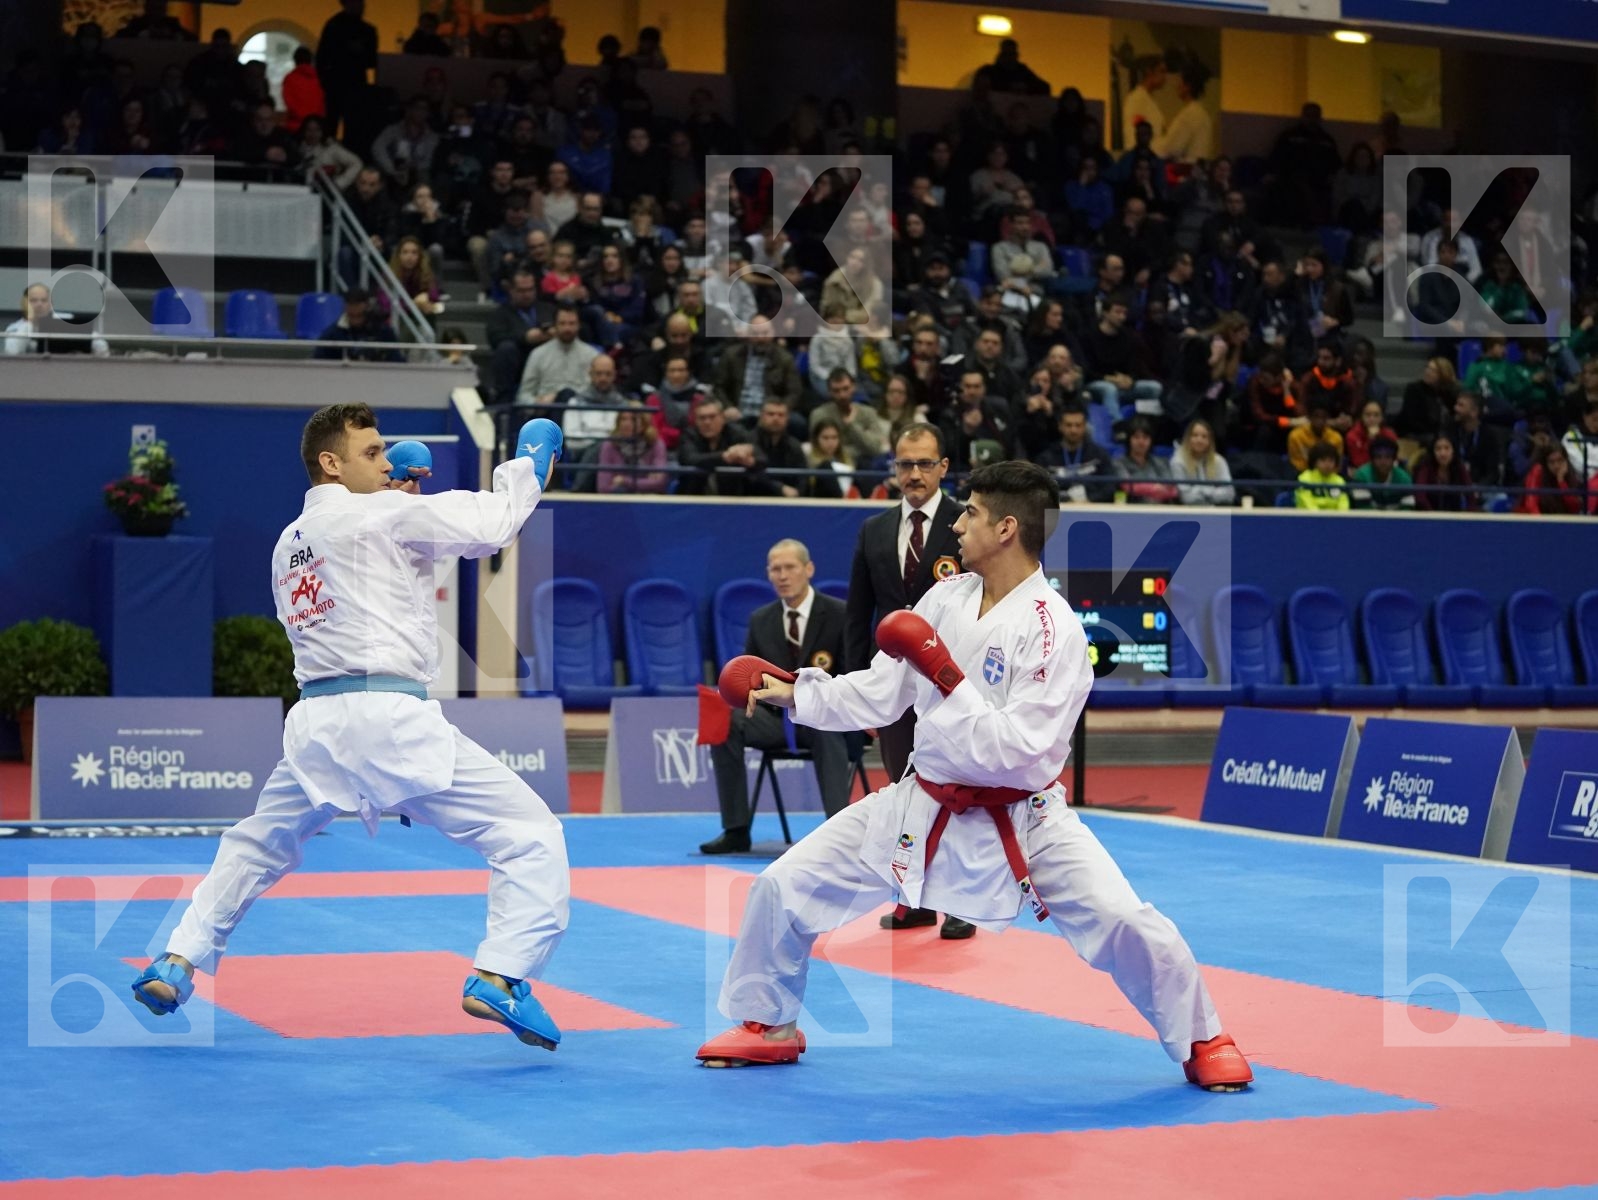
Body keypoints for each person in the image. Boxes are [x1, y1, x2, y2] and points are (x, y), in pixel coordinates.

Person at [697, 461, 1252, 1091]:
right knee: (781, 886)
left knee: (1124, 920)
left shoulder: (1054, 630)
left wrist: (947, 679)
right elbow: (884, 693)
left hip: (1023, 816)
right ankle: (768, 1024)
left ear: (1008, 528)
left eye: (971, 513)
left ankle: (1205, 1035)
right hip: (921, 800)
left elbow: (1018, 749)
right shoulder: (945, 597)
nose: (956, 524)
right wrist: (796, 694)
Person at [130, 406, 572, 1052]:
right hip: (388, 717)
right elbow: (492, 526)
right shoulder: (381, 515)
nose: (387, 463)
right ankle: (501, 974)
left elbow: (382, 576)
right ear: (331, 462)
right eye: (373, 453)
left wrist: (397, 496)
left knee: (257, 844)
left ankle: (178, 959)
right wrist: (528, 467)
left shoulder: (291, 540)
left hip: (314, 724)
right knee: (530, 835)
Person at [842, 424, 974, 940]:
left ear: (944, 467)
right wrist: (860, 699)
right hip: (893, 686)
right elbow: (857, 617)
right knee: (904, 792)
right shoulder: (873, 530)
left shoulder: (967, 523)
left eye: (924, 464)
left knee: (957, 791)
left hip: (951, 684)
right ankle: (914, 898)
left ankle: (964, 902)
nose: (914, 474)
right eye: (904, 464)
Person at [700, 540, 853, 855]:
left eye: (790, 568)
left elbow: (854, 674)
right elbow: (750, 676)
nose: (782, 576)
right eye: (775, 569)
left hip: (827, 717)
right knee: (726, 722)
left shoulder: (839, 614)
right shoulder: (761, 619)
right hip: (775, 720)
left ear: (808, 569)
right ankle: (736, 829)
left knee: (828, 729)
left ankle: (840, 834)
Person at [3, 282, 109, 356]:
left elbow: (101, 346)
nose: (39, 304)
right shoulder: (15, 328)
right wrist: (30, 323)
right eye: (33, 301)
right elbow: (13, 352)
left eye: (44, 300)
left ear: (51, 304)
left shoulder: (66, 320)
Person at [1170, 417, 1235, 505]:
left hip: (1216, 512)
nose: (1199, 440)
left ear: (1210, 441)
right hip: (1188, 513)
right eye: (1195, 435)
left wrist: (1200, 491)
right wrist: (1212, 492)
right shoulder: (1178, 461)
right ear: (1188, 438)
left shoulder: (1219, 461)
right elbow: (1185, 497)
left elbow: (1230, 493)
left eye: (1204, 437)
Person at [1350, 437, 1414, 510]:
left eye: (1388, 457)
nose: (1383, 462)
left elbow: (1407, 509)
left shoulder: (1404, 478)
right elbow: (1364, 509)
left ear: (1394, 459)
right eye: (1378, 457)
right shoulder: (1361, 476)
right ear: (1372, 460)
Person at [1295, 441, 1350, 511]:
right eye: (1323, 460)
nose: (1327, 464)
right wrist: (1321, 518)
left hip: (1335, 520)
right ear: (1314, 462)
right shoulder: (1304, 479)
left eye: (1331, 460)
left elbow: (1343, 504)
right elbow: (1307, 503)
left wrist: (1338, 518)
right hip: (1309, 519)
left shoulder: (1339, 480)